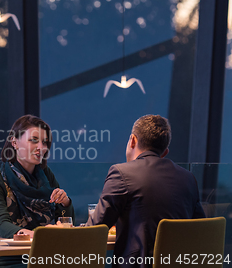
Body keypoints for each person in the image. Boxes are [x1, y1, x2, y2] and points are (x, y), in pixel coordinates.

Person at [87, 114, 205, 267]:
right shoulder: (188, 178)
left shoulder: (121, 173)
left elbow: (94, 230)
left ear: (132, 141)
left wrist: (59, 231)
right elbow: (201, 230)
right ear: (164, 152)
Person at [0, 115, 75, 268]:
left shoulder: (46, 175)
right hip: (7, 256)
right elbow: (2, 225)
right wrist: (41, 235)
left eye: (45, 142)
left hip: (45, 253)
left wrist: (65, 203)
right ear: (15, 142)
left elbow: (66, 223)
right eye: (34, 140)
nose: (41, 147)